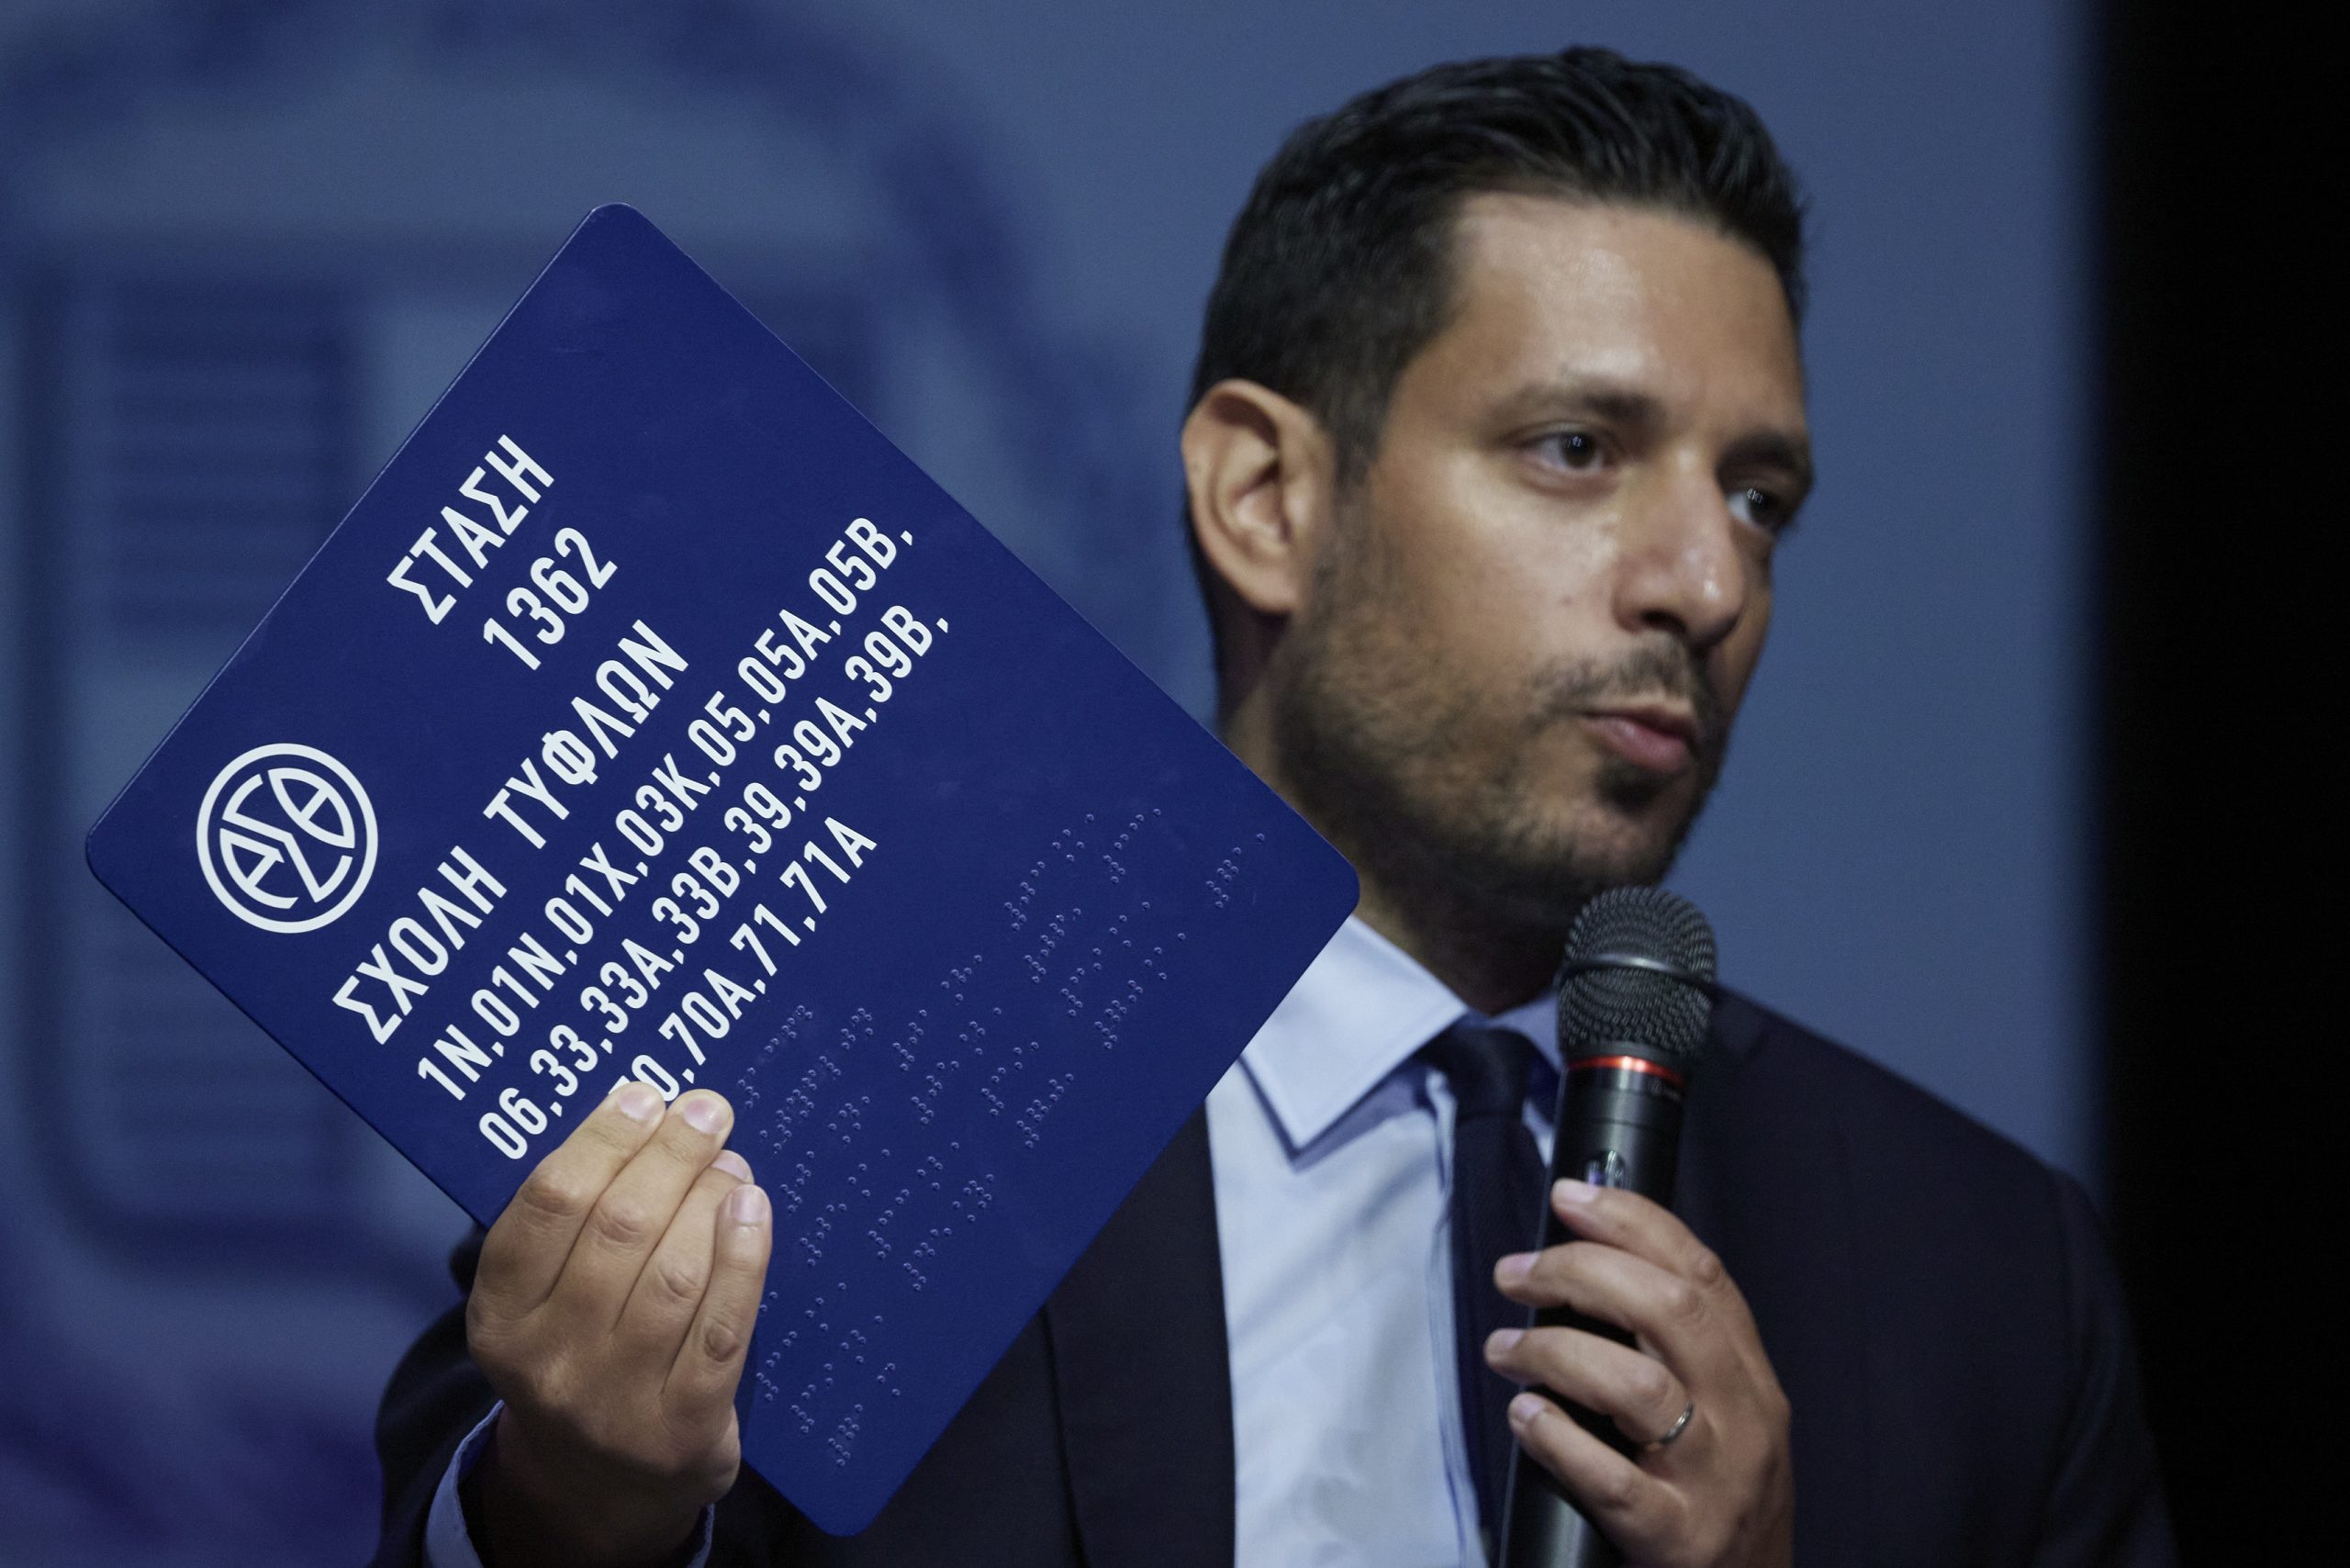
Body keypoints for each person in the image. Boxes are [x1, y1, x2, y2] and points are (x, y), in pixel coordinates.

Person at [371, 47, 2173, 1568]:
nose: (1705, 582)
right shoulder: (810, 1098)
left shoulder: (1983, 1275)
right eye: (1577, 450)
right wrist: (582, 1509)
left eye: (1759, 496)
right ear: (1263, 498)